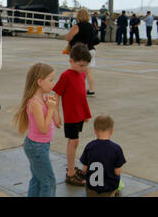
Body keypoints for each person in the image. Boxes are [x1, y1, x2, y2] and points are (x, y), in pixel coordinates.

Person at [13, 63, 60, 197]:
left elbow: (57, 122)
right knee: (48, 182)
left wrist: (53, 106)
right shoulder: (35, 103)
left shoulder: (42, 99)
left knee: (38, 179)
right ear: (40, 82)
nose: (53, 83)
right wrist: (50, 109)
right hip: (37, 147)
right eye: (51, 80)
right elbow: (43, 129)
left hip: (38, 146)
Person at [53, 43, 92, 186]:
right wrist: (56, 113)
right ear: (71, 61)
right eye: (81, 65)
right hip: (70, 115)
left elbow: (81, 95)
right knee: (73, 141)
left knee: (75, 141)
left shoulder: (81, 74)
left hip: (79, 114)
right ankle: (70, 174)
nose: (84, 69)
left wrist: (86, 113)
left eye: (86, 65)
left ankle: (71, 167)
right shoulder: (66, 76)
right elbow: (56, 94)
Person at [80, 115, 126, 197]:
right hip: (108, 188)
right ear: (111, 131)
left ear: (95, 131)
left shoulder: (89, 146)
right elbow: (117, 172)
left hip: (92, 188)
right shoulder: (116, 149)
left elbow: (84, 169)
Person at [65, 8, 96, 96]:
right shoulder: (91, 26)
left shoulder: (77, 26)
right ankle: (91, 89)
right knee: (88, 71)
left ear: (78, 16)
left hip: (79, 51)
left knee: (76, 71)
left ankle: (76, 89)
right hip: (91, 50)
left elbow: (68, 37)